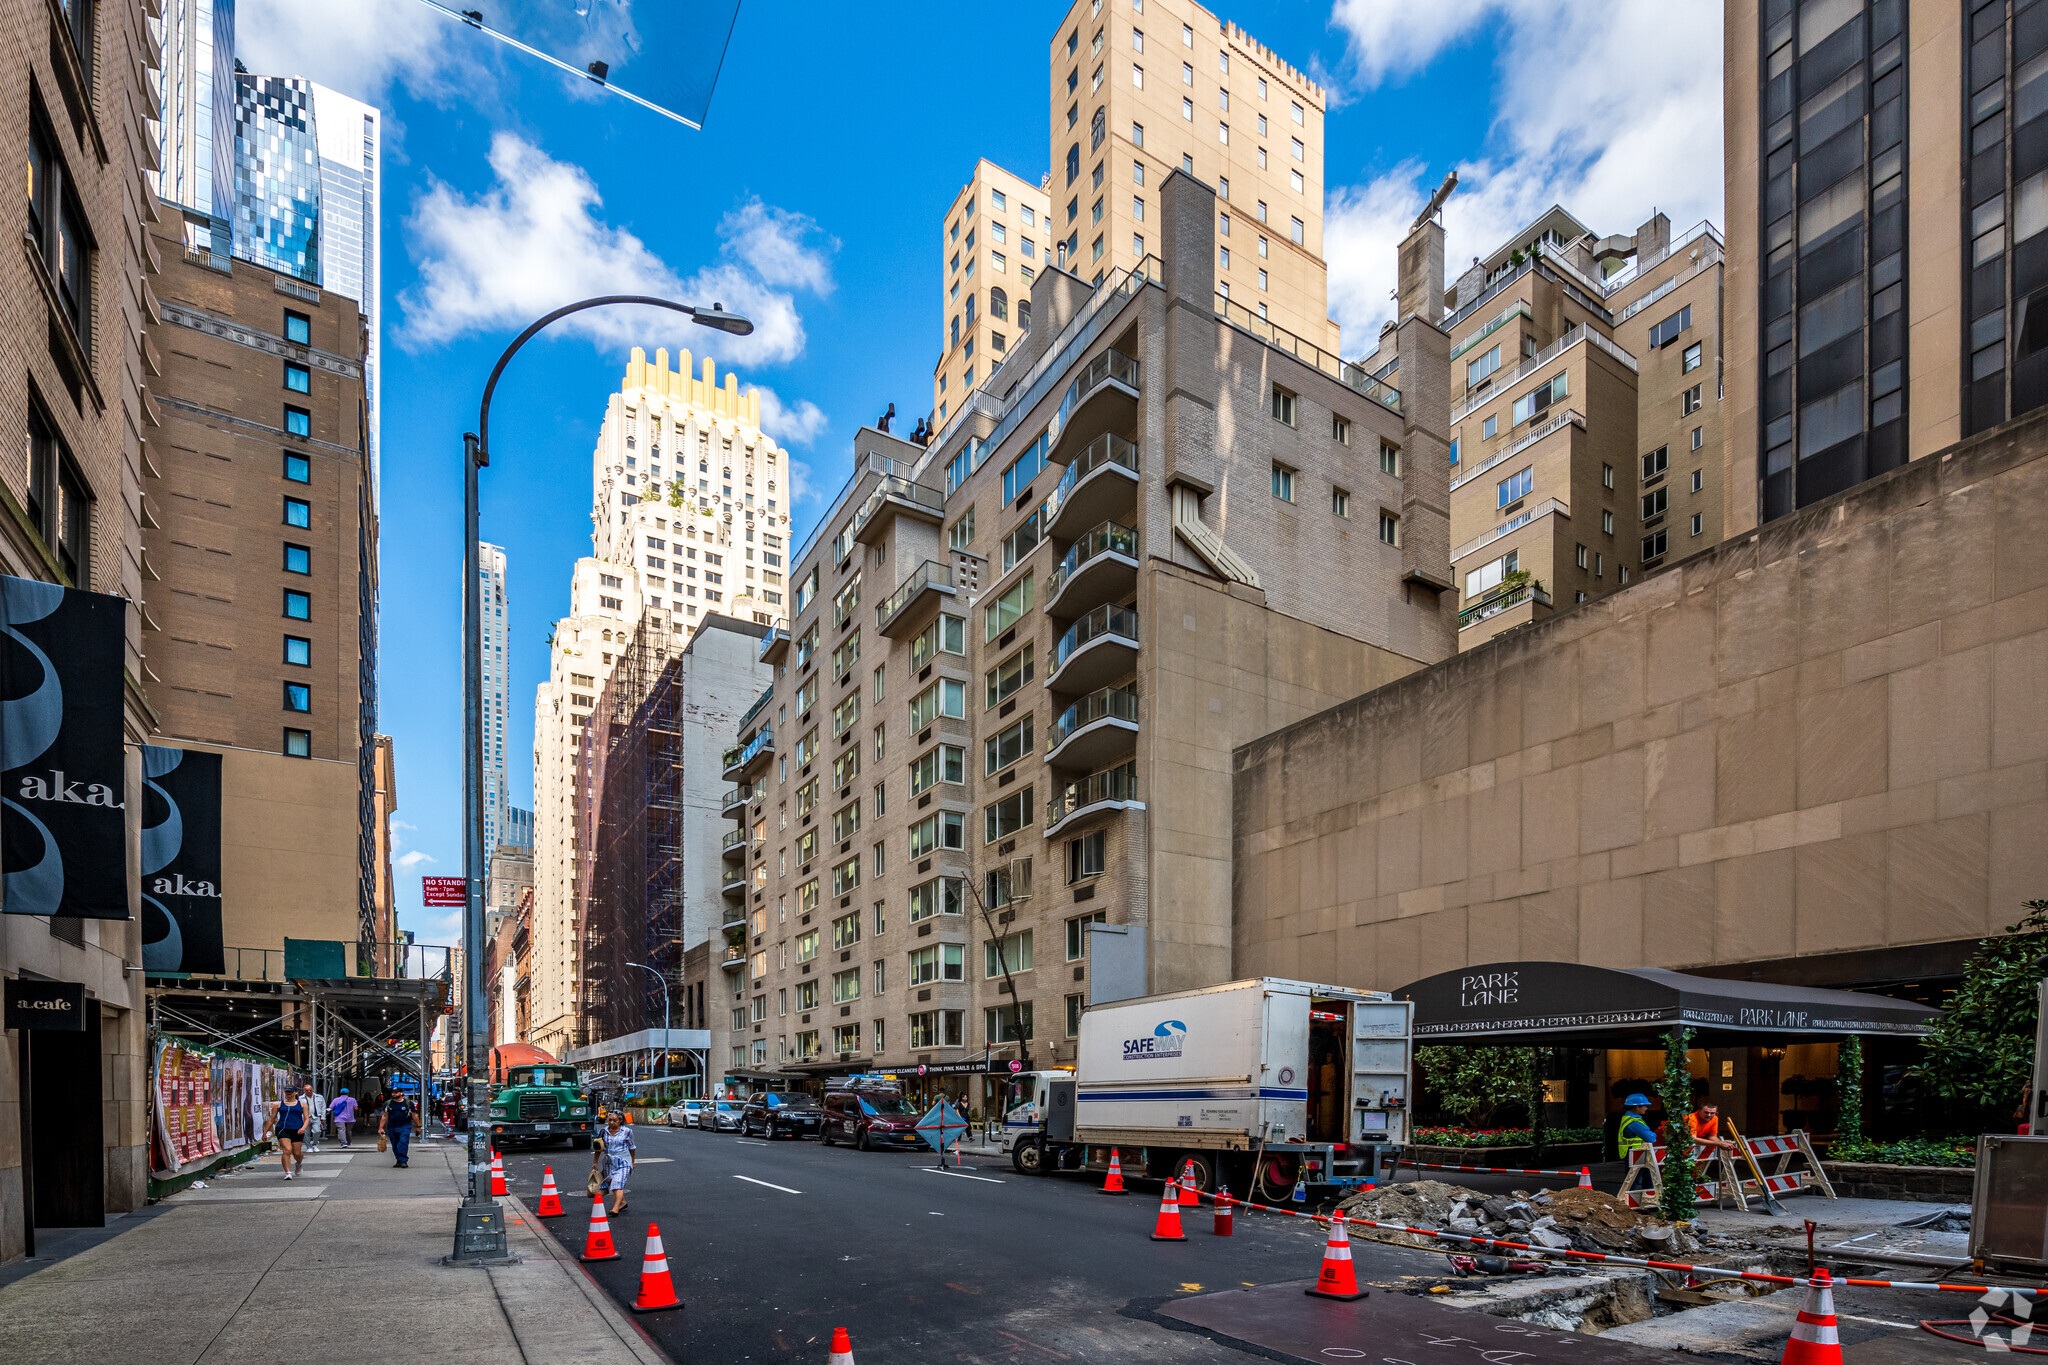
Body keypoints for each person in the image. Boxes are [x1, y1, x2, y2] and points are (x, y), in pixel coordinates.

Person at [594, 1109, 634, 1215]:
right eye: (610, 1120)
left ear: (620, 1120)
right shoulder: (603, 1132)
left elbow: (632, 1147)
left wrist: (632, 1162)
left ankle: (615, 1208)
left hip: (623, 1161)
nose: (611, 1122)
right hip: (608, 1162)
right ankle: (622, 1203)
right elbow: (598, 1148)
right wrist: (595, 1162)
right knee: (612, 1183)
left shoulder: (627, 1132)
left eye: (614, 1120)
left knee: (618, 1184)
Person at [270, 1082, 309, 1180]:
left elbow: (306, 1118)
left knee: (297, 1153)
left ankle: (299, 1163)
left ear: (296, 1093)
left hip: (297, 1129)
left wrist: (303, 1128)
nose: (288, 1093)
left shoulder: (302, 1104)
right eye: (287, 1091)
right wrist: (265, 1132)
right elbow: (271, 1119)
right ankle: (288, 1172)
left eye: (291, 1092)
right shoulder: (278, 1104)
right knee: (287, 1150)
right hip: (283, 1128)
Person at [1617, 1093, 1657, 1166]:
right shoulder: (1634, 1122)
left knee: (1642, 1176)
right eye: (1645, 1106)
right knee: (1635, 1177)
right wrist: (1653, 1134)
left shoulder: (1627, 1118)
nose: (1646, 1108)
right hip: (1636, 1153)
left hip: (1635, 1153)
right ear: (1637, 1107)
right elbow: (1651, 1138)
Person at [379, 1089, 416, 1168]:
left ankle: (403, 1160)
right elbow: (385, 1116)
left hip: (405, 1126)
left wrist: (419, 1126)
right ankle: (399, 1159)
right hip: (392, 1126)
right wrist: (380, 1128)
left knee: (403, 1142)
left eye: (396, 1093)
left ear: (401, 1093)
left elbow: (414, 1115)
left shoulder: (408, 1103)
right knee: (395, 1144)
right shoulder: (388, 1103)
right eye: (392, 1093)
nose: (394, 1094)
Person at [302, 1082, 325, 1151]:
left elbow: (323, 1107)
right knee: (306, 1132)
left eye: (310, 1090)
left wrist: (323, 1117)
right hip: (305, 1117)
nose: (309, 1091)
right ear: (304, 1091)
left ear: (312, 1090)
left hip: (316, 1116)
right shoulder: (300, 1098)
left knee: (317, 1131)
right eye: (307, 1090)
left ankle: (315, 1144)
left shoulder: (319, 1097)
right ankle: (308, 1147)